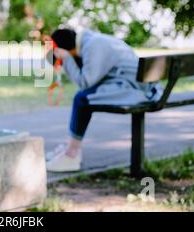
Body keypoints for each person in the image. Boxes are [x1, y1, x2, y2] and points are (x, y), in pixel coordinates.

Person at [45, 28, 161, 172]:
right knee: (84, 97)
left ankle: (72, 154)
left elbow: (85, 82)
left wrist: (67, 59)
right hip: (137, 83)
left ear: (68, 49)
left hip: (136, 88)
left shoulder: (93, 46)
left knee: (82, 99)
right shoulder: (91, 41)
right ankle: (70, 148)